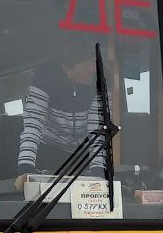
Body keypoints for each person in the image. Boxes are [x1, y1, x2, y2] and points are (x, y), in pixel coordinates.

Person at [17, 36, 104, 173]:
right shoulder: (43, 81)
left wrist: (98, 170)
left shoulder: (101, 82)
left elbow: (97, 129)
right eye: (85, 65)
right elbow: (33, 125)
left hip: (84, 153)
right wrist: (25, 166)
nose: (93, 69)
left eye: (93, 63)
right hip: (49, 150)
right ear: (67, 69)